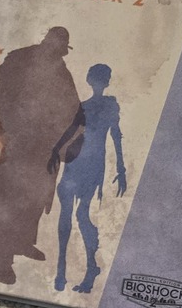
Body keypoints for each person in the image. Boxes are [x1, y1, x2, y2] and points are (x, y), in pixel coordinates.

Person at [0, 26, 83, 285]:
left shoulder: (61, 72)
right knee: (6, 202)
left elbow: (74, 110)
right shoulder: (19, 61)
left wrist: (72, 145)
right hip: (17, 144)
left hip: (44, 148)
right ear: (45, 42)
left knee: (34, 199)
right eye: (54, 46)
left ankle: (22, 243)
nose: (57, 52)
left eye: (60, 50)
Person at [52, 63, 127, 294]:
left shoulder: (109, 106)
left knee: (80, 214)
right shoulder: (83, 106)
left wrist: (121, 169)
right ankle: (62, 271)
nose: (98, 82)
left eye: (100, 78)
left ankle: (88, 268)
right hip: (76, 162)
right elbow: (70, 131)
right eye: (96, 77)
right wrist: (55, 151)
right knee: (68, 215)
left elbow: (115, 135)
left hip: (92, 165)